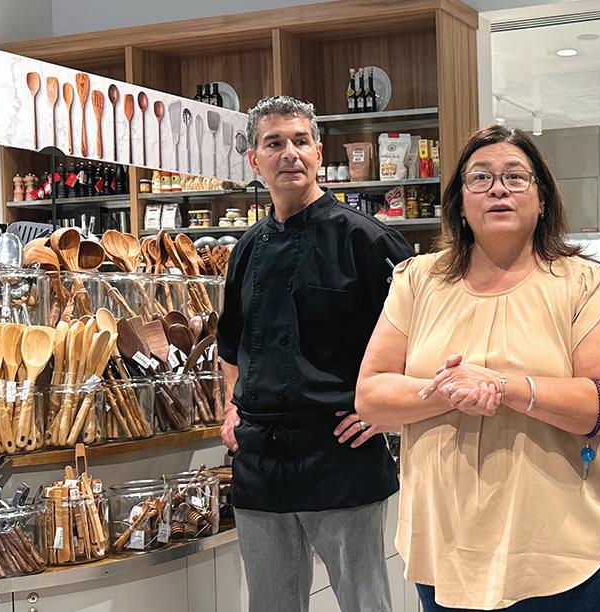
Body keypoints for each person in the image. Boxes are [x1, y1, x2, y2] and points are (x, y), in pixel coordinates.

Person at [355, 124, 600, 611]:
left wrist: (505, 387)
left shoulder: (582, 282)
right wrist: (451, 391)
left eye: (515, 176)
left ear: (542, 199)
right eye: (480, 178)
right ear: (460, 203)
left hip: (561, 552)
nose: (498, 189)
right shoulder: (418, 281)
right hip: (445, 546)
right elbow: (371, 396)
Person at [217, 95, 414, 612]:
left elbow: (422, 339)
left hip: (340, 454)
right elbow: (230, 343)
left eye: (300, 141)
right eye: (274, 143)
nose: (289, 153)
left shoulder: (367, 241)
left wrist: (384, 415)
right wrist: (231, 404)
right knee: (270, 605)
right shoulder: (246, 249)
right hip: (260, 462)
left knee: (364, 602)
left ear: (319, 153)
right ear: (254, 160)